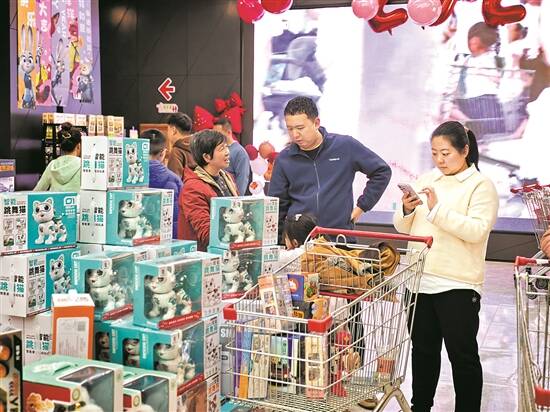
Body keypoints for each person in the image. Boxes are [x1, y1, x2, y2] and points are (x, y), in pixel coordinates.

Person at [393, 121, 499, 412]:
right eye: (434, 153)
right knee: (423, 352)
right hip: (418, 282)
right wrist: (407, 209)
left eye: (446, 153)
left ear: (464, 150)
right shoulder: (428, 179)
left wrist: (437, 209)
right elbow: (403, 227)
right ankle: (420, 407)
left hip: (457, 285)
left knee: (462, 357)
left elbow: (477, 231)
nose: (439, 160)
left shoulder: (481, 186)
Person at [268, 96, 392, 238]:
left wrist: (362, 207)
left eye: (300, 128)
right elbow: (277, 207)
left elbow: (381, 171)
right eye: (290, 129)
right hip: (300, 243)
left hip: (339, 240)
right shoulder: (284, 159)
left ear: (316, 123)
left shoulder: (345, 146)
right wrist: (279, 243)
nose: (295, 135)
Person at [178, 129, 238, 251]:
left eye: (226, 147)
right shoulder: (192, 188)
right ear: (206, 157)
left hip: (227, 248)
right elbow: (206, 232)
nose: (227, 152)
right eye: (221, 149)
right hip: (204, 255)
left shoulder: (227, 177)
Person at [140, 129, 182, 238]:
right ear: (163, 152)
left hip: (137, 237)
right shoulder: (175, 179)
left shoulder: (129, 178)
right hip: (169, 238)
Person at [34, 122, 82, 192]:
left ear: (60, 146)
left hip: (55, 199)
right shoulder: (83, 165)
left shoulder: (52, 165)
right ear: (78, 146)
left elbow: (37, 191)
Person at [213, 118, 251, 195]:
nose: (215, 137)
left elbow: (242, 178)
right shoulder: (214, 149)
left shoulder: (240, 152)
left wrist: (237, 198)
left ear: (229, 132)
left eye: (218, 134)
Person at [166, 112, 194, 178]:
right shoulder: (200, 146)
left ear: (173, 130)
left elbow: (174, 180)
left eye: (168, 130)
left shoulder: (176, 152)